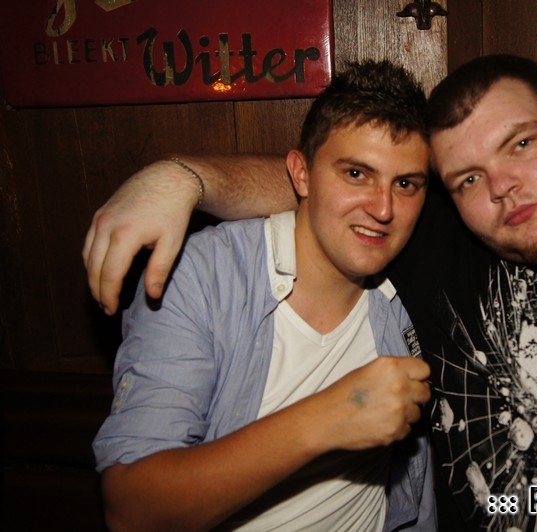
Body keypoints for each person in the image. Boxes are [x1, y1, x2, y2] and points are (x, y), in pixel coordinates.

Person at [82, 55, 537, 531]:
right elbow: (131, 509)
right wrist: (180, 177)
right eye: (468, 178)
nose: (383, 208)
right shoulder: (218, 275)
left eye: (522, 144)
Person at [91, 60, 437, 531]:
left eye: (406, 184)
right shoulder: (205, 277)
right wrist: (327, 419)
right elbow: (132, 509)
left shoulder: (414, 268)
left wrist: (188, 178)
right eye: (356, 173)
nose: (383, 208)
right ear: (301, 174)